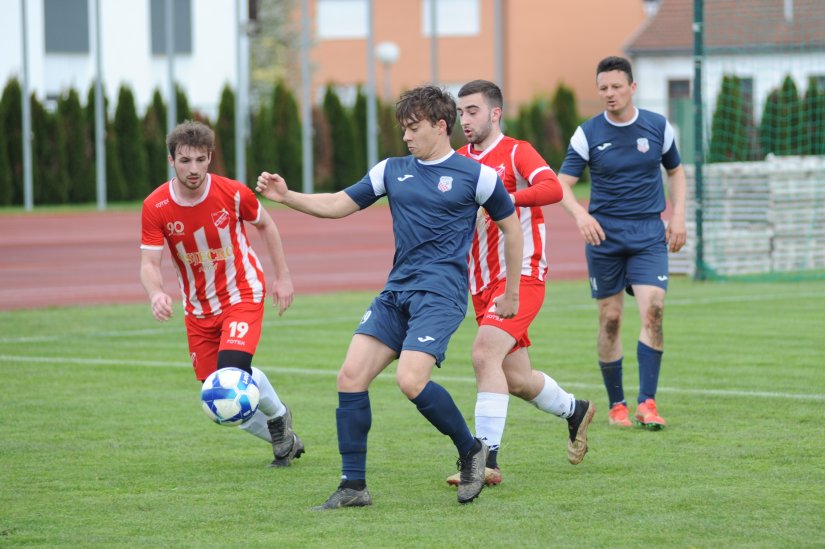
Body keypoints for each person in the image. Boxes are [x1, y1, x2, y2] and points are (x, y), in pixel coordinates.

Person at [255, 85, 524, 509]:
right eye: (403, 129)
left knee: (410, 380)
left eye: (414, 128)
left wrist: (512, 292)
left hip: (441, 295)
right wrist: (287, 196)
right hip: (396, 292)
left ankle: (472, 450)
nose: (406, 137)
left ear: (440, 126)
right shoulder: (391, 170)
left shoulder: (479, 176)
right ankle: (353, 486)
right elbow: (338, 203)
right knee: (350, 377)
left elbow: (512, 227)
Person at [443, 80, 595, 488]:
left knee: (482, 354)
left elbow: (551, 187)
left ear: (495, 113)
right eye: (461, 112)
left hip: (521, 275)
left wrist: (507, 199)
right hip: (480, 282)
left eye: (473, 110)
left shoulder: (516, 151)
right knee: (516, 379)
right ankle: (575, 410)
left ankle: (484, 460)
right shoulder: (457, 159)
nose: (465, 119)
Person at [139, 120, 305, 466]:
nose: (194, 168)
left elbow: (266, 224)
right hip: (198, 309)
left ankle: (277, 416)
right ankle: (283, 435)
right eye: (185, 161)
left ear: (210, 157)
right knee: (215, 396)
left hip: (241, 294)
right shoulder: (155, 206)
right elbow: (149, 263)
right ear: (172, 161)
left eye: (201, 159)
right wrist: (155, 293)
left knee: (232, 377)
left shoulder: (231, 192)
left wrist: (283, 277)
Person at [557, 56, 687, 430]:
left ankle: (648, 402)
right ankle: (617, 405)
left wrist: (677, 216)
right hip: (605, 237)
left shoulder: (658, 127)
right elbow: (560, 184)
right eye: (603, 88)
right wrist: (582, 216)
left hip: (648, 234)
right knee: (611, 319)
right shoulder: (587, 133)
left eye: (616, 86)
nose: (609, 94)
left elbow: (676, 172)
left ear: (632, 87)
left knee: (655, 311)